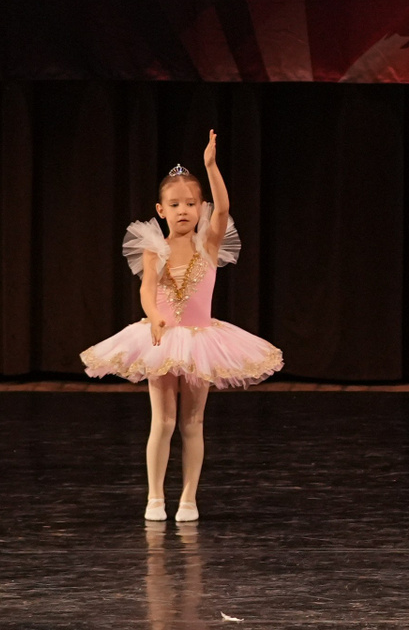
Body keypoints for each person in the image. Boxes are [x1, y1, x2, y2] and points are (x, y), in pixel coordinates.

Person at [81, 132, 283, 521]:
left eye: (191, 203)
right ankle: (155, 497)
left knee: (193, 421)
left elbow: (224, 209)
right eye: (175, 204)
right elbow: (147, 289)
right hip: (160, 340)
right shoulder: (153, 248)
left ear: (201, 207)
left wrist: (210, 166)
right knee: (163, 421)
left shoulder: (208, 244)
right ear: (161, 210)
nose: (183, 210)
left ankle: (189, 498)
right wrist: (153, 315)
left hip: (200, 341)